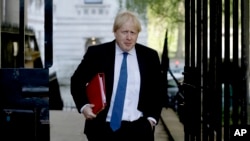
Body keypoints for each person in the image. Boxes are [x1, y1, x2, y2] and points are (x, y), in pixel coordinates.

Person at [70, 10, 166, 141]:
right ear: (115, 32)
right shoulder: (97, 54)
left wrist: (151, 120)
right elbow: (76, 81)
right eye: (124, 32)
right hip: (103, 129)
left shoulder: (149, 56)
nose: (129, 37)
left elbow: (158, 90)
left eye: (133, 32)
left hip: (138, 129)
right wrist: (84, 106)